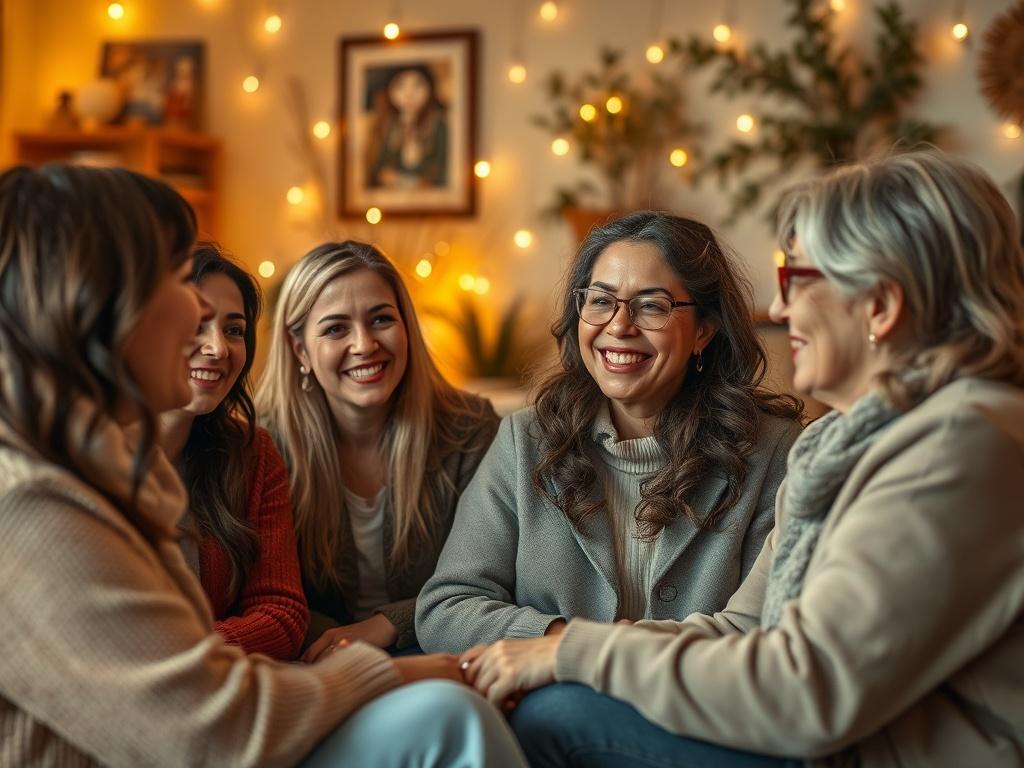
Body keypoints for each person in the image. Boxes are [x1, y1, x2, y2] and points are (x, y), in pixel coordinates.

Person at [462, 150, 1024, 768]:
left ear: (881, 307)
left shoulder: (959, 444)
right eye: (599, 301)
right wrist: (559, 653)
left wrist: (573, 655)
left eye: (798, 281)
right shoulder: (841, 445)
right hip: (820, 737)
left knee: (555, 718)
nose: (780, 312)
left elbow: (807, 691)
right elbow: (742, 630)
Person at [0, 164, 527, 767]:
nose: (203, 315)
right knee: (447, 718)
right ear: (94, 302)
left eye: (382, 318)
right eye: (176, 280)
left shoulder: (106, 472)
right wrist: (383, 672)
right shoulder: (31, 506)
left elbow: (246, 640)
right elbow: (214, 725)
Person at [417, 211, 803, 653]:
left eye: (652, 305)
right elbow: (445, 609)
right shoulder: (524, 442)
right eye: (600, 301)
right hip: (555, 705)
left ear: (704, 331)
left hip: (697, 711)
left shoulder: (772, 451)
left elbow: (770, 632)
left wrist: (597, 653)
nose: (619, 326)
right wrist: (565, 644)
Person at [255, 241, 499, 659]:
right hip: (312, 660)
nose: (365, 344)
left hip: (444, 649)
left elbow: (492, 575)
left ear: (406, 327)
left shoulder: (470, 430)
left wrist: (388, 624)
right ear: (300, 350)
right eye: (335, 328)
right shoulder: (262, 447)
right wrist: (338, 641)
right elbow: (262, 595)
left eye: (381, 319)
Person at [159, 243, 308, 660]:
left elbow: (283, 615)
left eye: (234, 329)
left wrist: (186, 650)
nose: (218, 348)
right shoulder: (81, 456)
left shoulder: (252, 454)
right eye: (196, 324)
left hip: (224, 691)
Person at [367, 65, 448, 189]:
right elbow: (381, 161)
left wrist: (428, 179)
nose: (409, 94)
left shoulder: (436, 124)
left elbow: (442, 161)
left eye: (417, 86)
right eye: (401, 86)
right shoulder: (390, 125)